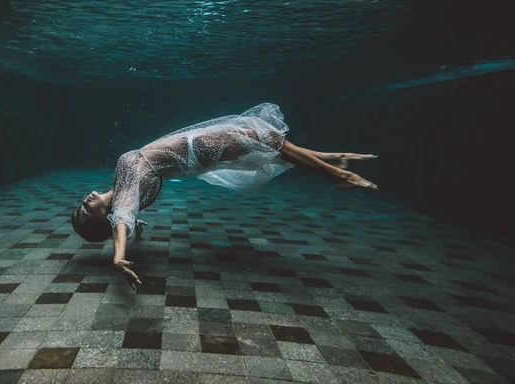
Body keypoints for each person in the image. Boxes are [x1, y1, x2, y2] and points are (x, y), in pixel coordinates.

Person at [71, 103, 378, 289]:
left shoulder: (125, 187)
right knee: (266, 139)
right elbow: (123, 218)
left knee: (267, 142)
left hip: (193, 149)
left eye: (82, 205)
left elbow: (128, 218)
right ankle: (339, 174)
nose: (85, 201)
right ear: (102, 218)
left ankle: (334, 162)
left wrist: (127, 234)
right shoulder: (126, 190)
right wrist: (118, 257)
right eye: (87, 210)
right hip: (196, 147)